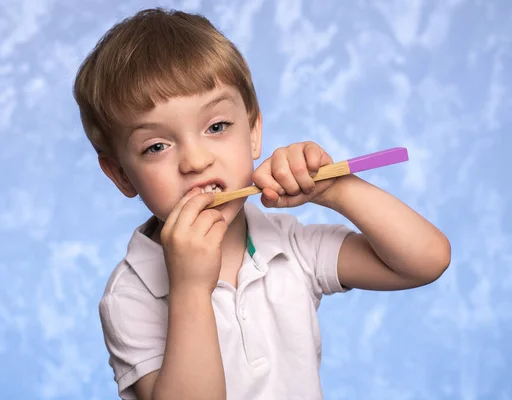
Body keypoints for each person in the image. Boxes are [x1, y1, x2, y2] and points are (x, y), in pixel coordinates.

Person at [73, 7, 451, 400]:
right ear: (120, 175)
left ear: (254, 131)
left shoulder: (291, 246)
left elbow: (426, 261)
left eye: (217, 127)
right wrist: (188, 288)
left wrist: (335, 190)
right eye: (157, 146)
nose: (196, 161)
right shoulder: (130, 295)